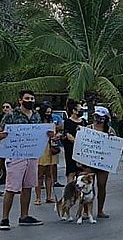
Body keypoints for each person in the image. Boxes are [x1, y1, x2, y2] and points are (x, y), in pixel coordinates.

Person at [0, 90, 51, 230]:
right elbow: (1, 132)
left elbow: (40, 134)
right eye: (27, 98)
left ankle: (24, 216)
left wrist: (49, 134)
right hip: (16, 155)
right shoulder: (10, 115)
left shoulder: (36, 116)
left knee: (28, 186)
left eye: (32, 98)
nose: (30, 100)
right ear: (20, 100)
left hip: (32, 155)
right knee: (11, 188)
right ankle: (4, 219)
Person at [86, 106, 116, 218]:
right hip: (89, 161)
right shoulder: (88, 128)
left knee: (101, 185)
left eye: (101, 117)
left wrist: (112, 138)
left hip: (103, 162)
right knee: (87, 186)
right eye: (96, 116)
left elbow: (115, 146)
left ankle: (100, 210)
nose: (98, 119)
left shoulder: (110, 130)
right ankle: (86, 211)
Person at [36, 103, 60, 205]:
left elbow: (54, 134)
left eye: (50, 112)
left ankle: (49, 196)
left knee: (49, 174)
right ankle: (38, 197)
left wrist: (55, 136)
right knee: (39, 174)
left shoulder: (52, 122)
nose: (48, 114)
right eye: (46, 112)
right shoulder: (37, 122)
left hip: (51, 148)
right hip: (41, 149)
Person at [62, 100, 85, 187]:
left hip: (82, 150)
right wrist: (77, 142)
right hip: (71, 150)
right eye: (80, 109)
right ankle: (70, 192)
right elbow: (68, 136)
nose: (81, 111)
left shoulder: (83, 121)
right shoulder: (68, 122)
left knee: (81, 172)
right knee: (71, 172)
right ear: (73, 110)